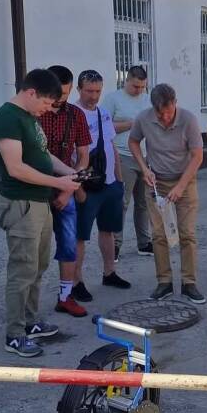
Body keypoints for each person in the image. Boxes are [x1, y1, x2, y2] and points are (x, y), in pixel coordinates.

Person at [0, 68, 81, 358]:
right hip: (21, 205)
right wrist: (59, 182)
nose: (47, 110)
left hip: (38, 204)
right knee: (22, 270)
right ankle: (14, 335)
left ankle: (30, 322)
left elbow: (43, 155)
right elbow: (15, 167)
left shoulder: (29, 117)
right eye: (45, 103)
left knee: (37, 267)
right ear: (30, 93)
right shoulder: (7, 118)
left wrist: (71, 172)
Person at [128, 83, 205, 303]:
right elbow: (133, 141)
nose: (165, 118)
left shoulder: (188, 119)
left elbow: (198, 156)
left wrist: (181, 186)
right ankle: (164, 282)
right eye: (160, 114)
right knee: (159, 235)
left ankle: (189, 283)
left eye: (169, 112)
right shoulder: (144, 118)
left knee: (187, 233)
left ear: (175, 103)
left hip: (185, 181)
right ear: (153, 108)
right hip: (156, 183)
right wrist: (144, 168)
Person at [38, 65, 92, 317]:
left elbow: (83, 156)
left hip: (66, 184)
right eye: (58, 94)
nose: (61, 100)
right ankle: (29, 305)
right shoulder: (35, 114)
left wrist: (70, 188)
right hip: (36, 186)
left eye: (66, 94)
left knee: (69, 242)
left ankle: (65, 296)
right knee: (35, 248)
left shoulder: (76, 115)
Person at [73, 70, 131, 297]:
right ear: (79, 90)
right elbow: (70, 155)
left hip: (109, 184)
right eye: (89, 91)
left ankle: (109, 273)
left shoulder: (103, 113)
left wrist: (118, 180)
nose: (94, 96)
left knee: (107, 230)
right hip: (86, 186)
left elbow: (111, 146)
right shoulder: (73, 115)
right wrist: (77, 188)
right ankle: (76, 282)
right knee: (80, 235)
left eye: (98, 91)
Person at [102, 65, 153, 261]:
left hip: (145, 157)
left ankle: (144, 242)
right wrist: (132, 124)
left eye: (142, 87)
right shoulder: (113, 99)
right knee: (121, 202)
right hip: (122, 156)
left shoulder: (148, 100)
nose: (139, 90)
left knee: (144, 203)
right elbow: (105, 126)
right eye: (135, 86)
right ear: (127, 81)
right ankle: (115, 244)